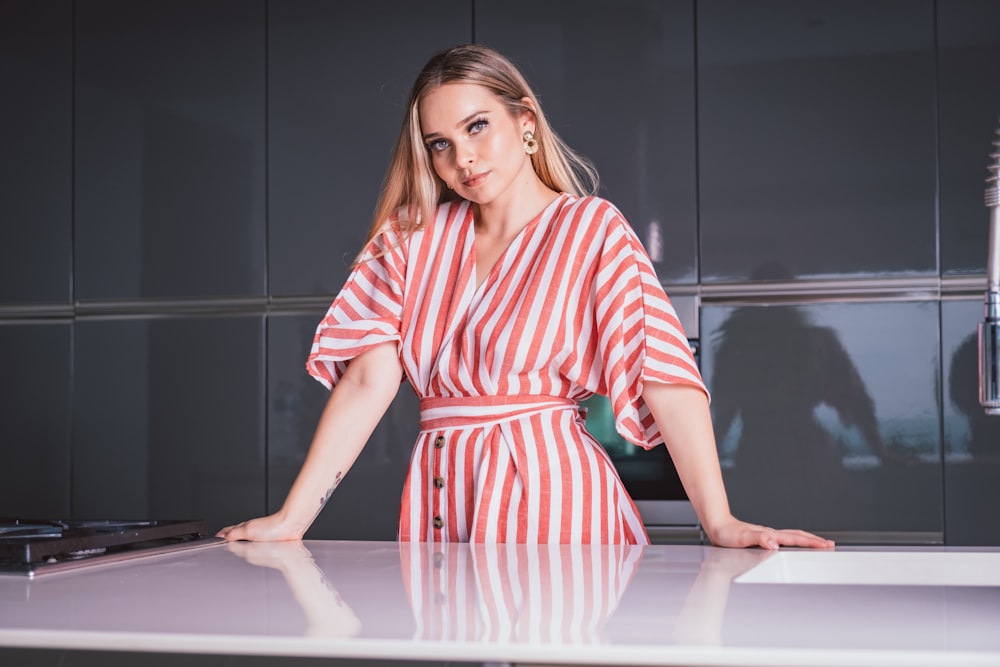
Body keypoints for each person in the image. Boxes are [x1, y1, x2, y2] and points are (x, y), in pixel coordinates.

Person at [218, 44, 833, 549]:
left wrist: (719, 522)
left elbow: (663, 376)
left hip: (554, 500)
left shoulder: (591, 228)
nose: (463, 157)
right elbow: (364, 383)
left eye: (477, 127)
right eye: (440, 144)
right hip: (441, 490)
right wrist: (291, 520)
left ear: (527, 122)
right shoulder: (409, 238)